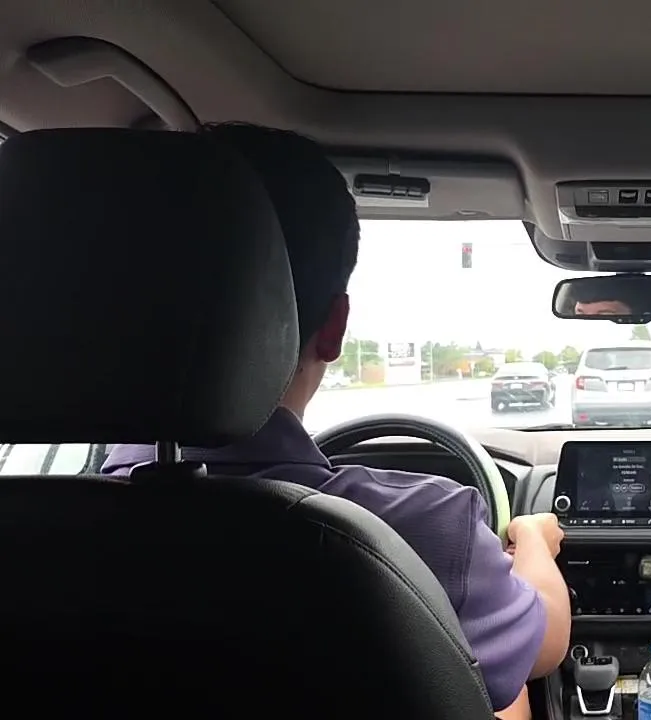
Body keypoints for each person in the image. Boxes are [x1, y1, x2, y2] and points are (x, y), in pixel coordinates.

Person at [99, 123, 570, 720]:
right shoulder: (422, 526)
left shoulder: (29, 536)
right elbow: (545, 643)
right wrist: (533, 538)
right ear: (334, 326)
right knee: (505, 685)